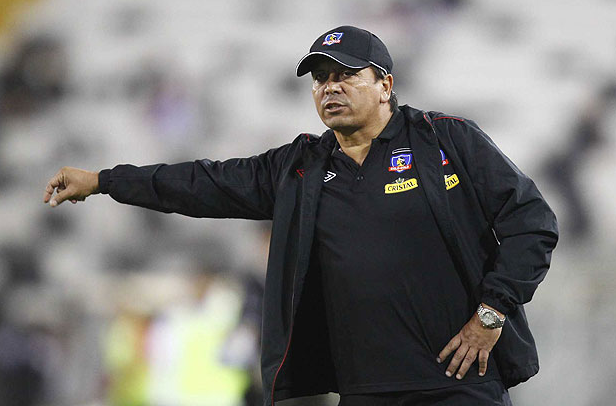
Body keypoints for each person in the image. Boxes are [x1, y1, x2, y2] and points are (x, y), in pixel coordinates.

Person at [43, 26, 558, 406]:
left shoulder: (445, 139)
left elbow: (532, 223)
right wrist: (105, 181)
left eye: (346, 75)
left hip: (459, 385)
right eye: (320, 79)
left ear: (385, 84)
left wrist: (491, 314)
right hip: (364, 392)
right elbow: (202, 182)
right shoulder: (300, 167)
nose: (330, 88)